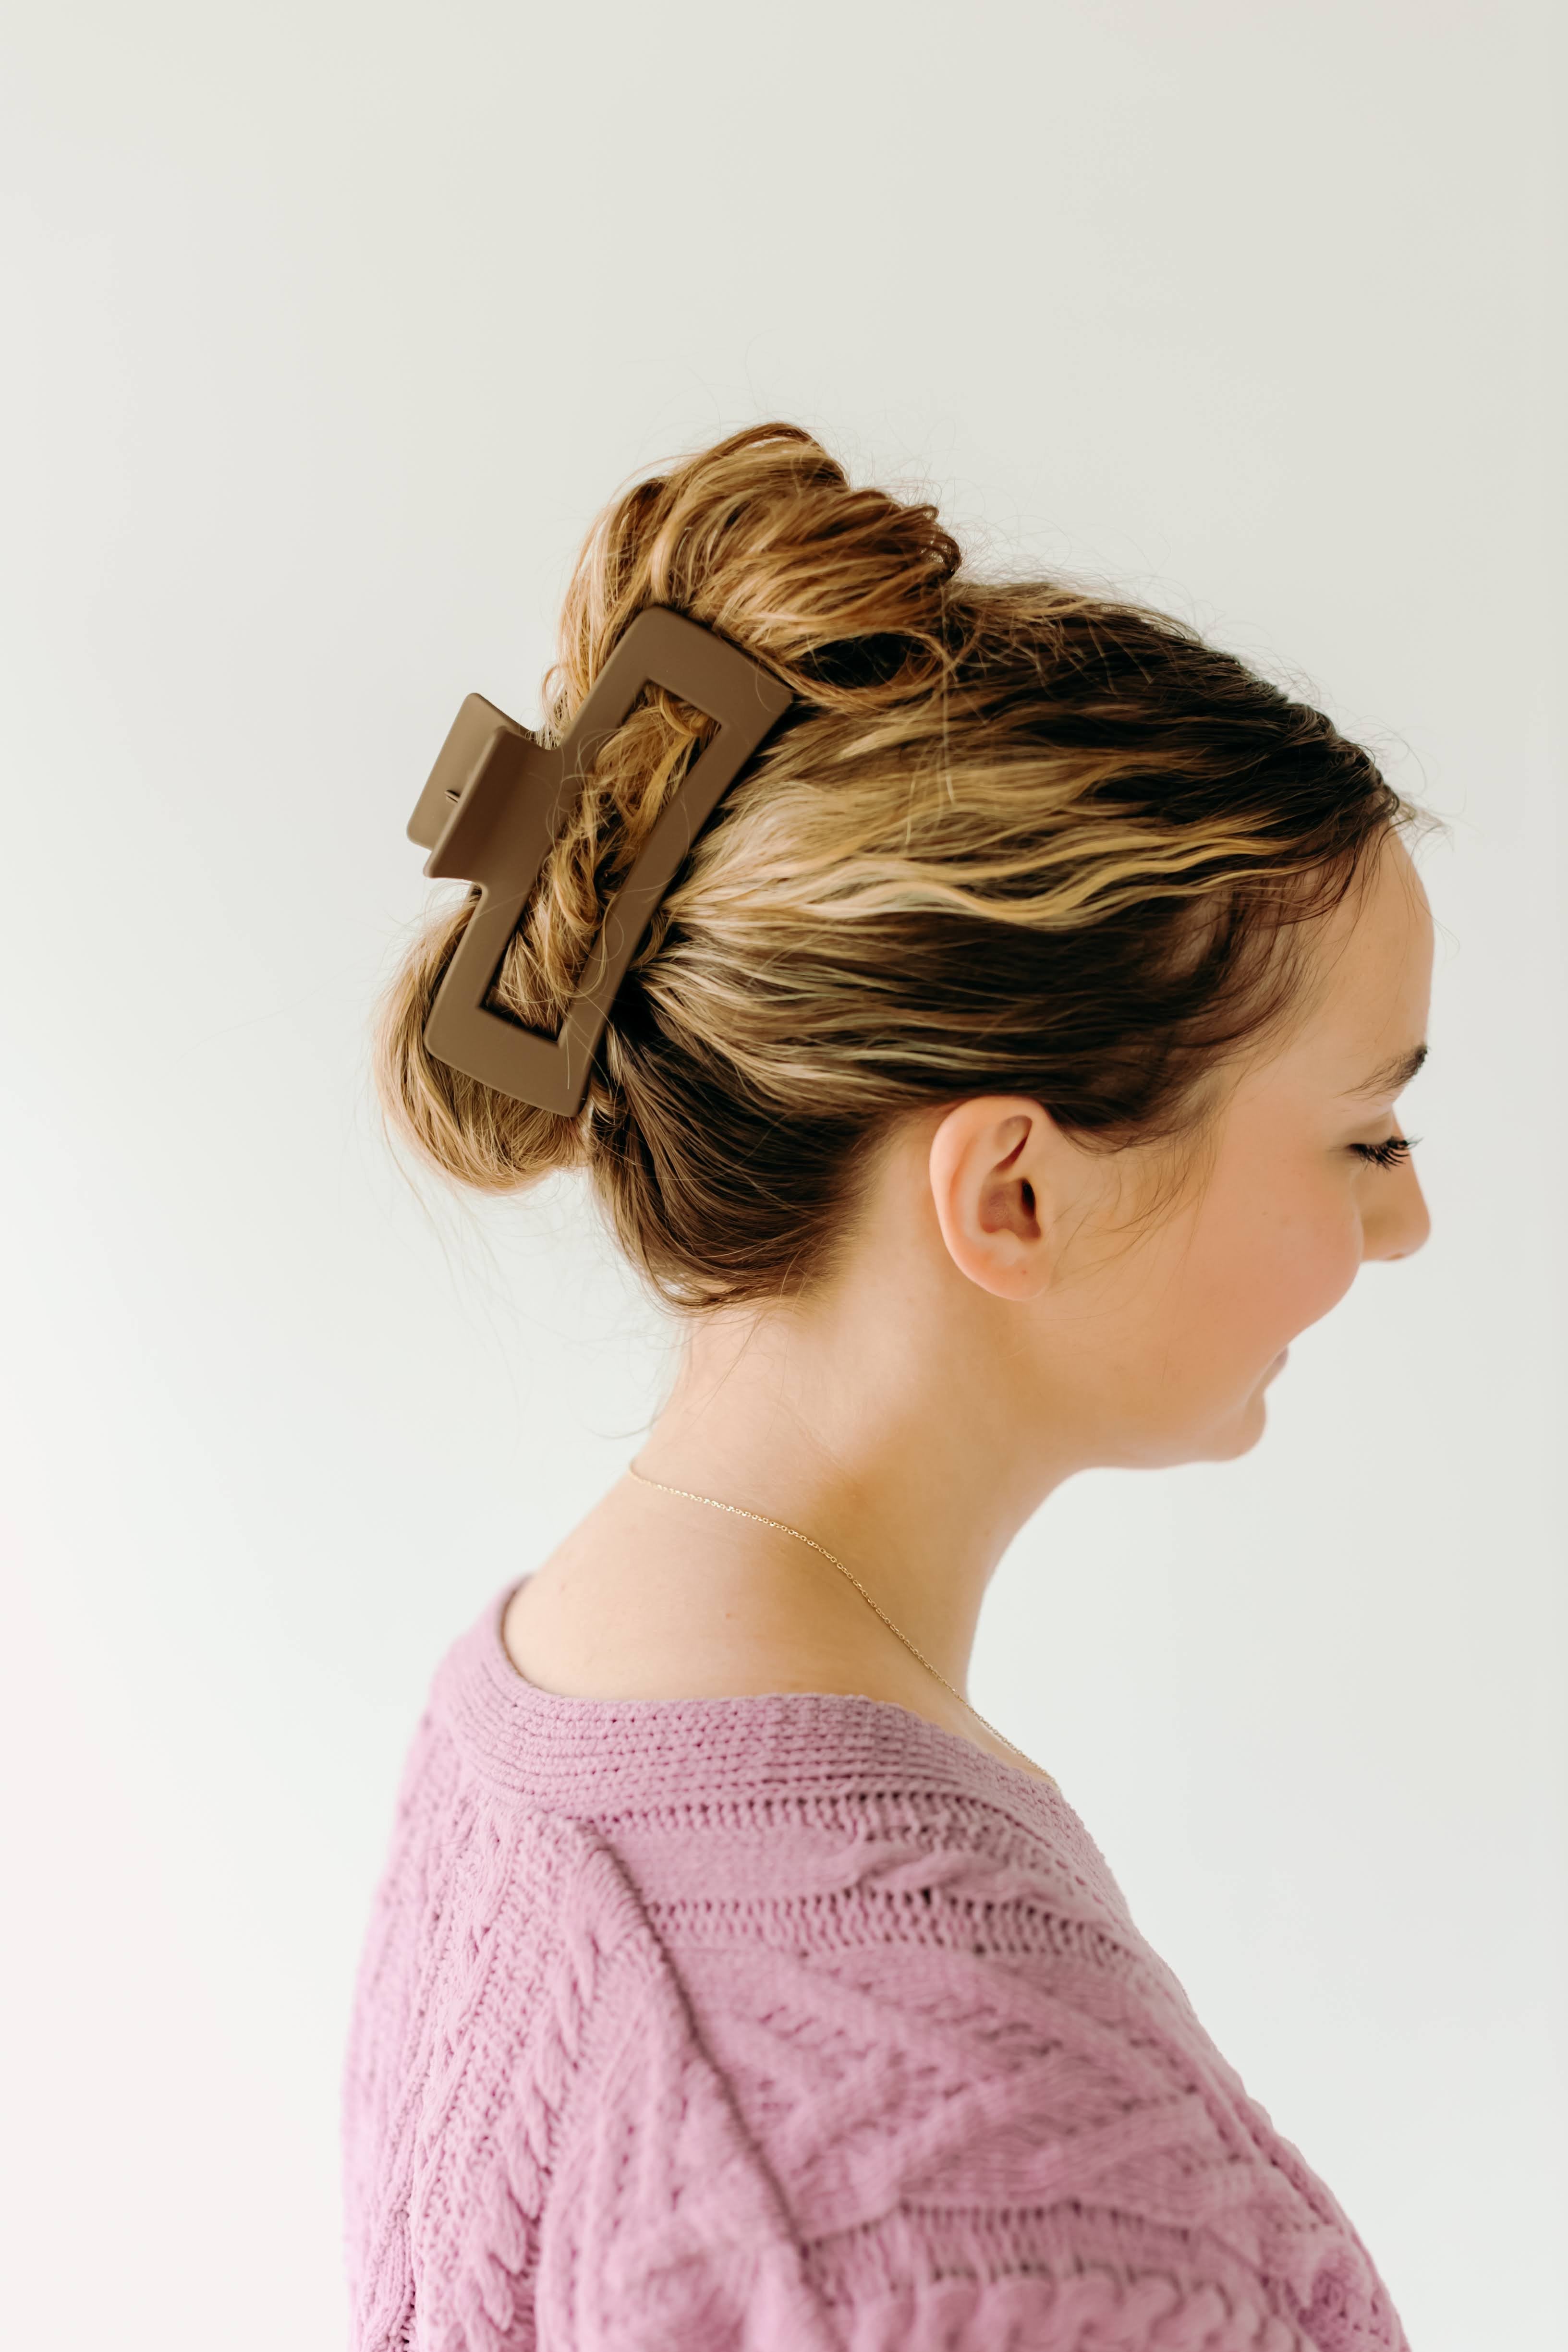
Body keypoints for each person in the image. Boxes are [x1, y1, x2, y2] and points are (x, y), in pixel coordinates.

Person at [343, 424, 1428, 2349]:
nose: (1407, 1222)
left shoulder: (548, 1701)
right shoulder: (955, 2197)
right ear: (1011, 1188)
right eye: (1361, 1137)